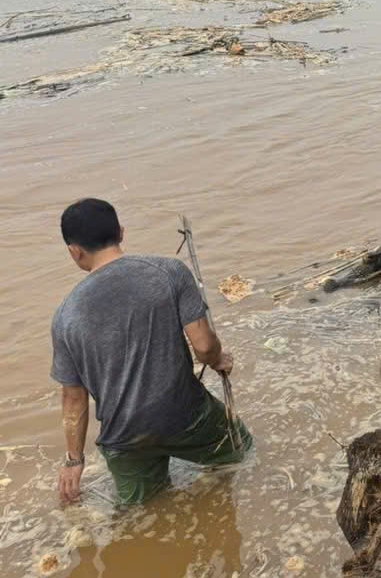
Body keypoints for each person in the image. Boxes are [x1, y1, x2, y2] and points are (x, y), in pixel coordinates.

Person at [51, 198, 253, 505]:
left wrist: (73, 461)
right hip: (184, 416)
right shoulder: (169, 271)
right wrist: (218, 359)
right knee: (240, 454)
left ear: (74, 251)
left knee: (142, 513)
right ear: (121, 232)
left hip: (124, 438)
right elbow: (203, 346)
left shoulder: (65, 316)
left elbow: (73, 399)